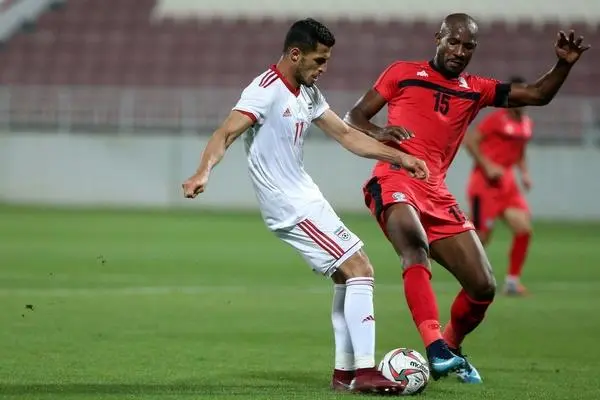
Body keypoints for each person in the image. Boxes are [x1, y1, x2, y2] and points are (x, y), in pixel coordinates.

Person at [181, 18, 429, 394]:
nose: (324, 68)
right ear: (295, 54)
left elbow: (346, 134)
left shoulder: (308, 92)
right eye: (319, 60)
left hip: (306, 197)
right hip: (290, 206)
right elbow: (225, 132)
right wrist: (203, 171)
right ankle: (365, 371)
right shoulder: (265, 90)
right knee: (361, 268)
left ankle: (345, 374)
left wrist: (400, 157)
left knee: (347, 276)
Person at [344, 13, 589, 384]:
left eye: (468, 46)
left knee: (483, 286)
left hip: (437, 193)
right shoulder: (403, 72)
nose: (459, 51)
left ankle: (450, 347)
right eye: (453, 42)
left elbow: (538, 94)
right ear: (438, 38)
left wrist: (563, 65)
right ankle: (434, 347)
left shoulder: (476, 89)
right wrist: (380, 132)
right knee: (414, 245)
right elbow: (354, 116)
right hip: (395, 177)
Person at [463, 76, 534, 296]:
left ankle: (512, 282)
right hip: (485, 183)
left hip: (508, 184)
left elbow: (519, 151)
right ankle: (463, 271)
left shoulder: (526, 123)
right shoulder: (496, 120)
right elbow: (470, 141)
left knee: (524, 229)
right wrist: (487, 165)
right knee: (481, 237)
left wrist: (524, 173)